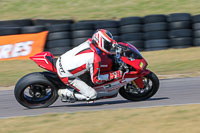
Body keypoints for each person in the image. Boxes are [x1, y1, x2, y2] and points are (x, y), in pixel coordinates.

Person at [56, 29, 123, 102]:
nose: (109, 46)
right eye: (107, 44)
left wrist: (114, 44)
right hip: (66, 75)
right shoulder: (95, 58)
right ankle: (65, 92)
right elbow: (96, 80)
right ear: (101, 42)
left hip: (62, 59)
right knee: (92, 95)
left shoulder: (90, 41)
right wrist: (114, 75)